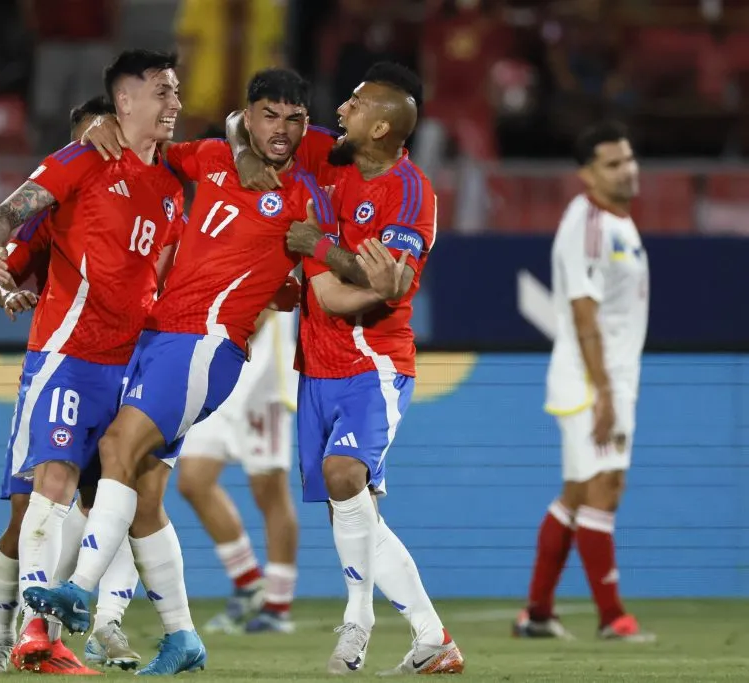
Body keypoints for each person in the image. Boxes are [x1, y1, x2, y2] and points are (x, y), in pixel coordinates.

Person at [24, 67, 403, 676]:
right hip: (159, 338)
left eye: (295, 119)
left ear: (308, 125)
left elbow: (327, 267)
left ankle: (84, 590)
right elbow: (153, 147)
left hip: (205, 342)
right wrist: (100, 126)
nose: (282, 131)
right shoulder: (208, 158)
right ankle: (181, 638)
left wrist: (354, 265)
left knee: (120, 445)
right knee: (145, 493)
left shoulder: (307, 189)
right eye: (268, 116)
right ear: (248, 117)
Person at [226, 61, 465, 675]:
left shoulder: (410, 191)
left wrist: (320, 249)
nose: (340, 111)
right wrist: (246, 156)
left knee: (341, 474)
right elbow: (245, 123)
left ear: (382, 127)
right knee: (352, 509)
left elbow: (395, 281)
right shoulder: (325, 158)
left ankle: (357, 621)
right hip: (317, 363)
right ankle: (432, 638)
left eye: (355, 104)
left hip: (376, 361)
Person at [0, 49, 185, 672]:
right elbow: (8, 214)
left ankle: (95, 627)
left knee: (123, 499)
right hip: (67, 356)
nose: (175, 103)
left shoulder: (175, 182)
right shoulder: (81, 160)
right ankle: (25, 633)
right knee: (49, 490)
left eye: (176, 93)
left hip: (132, 366)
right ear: (125, 102)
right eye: (163, 92)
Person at [514, 121, 653, 643]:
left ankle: (537, 614)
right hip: (591, 382)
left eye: (629, 159)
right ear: (586, 174)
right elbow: (583, 313)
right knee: (604, 490)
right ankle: (612, 617)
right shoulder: (588, 224)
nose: (627, 170)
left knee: (577, 493)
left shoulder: (619, 223)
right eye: (613, 164)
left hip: (607, 378)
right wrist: (606, 394)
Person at [177, 307, 300, 635]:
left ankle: (277, 605)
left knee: (269, 489)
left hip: (263, 374)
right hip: (216, 360)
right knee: (192, 480)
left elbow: (281, 281)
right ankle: (248, 583)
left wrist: (244, 333)